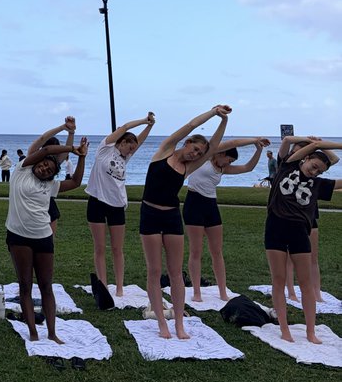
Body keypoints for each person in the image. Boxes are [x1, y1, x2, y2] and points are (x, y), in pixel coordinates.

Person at [140, 106, 231, 340]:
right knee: (154, 270)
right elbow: (190, 125)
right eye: (194, 148)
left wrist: (223, 122)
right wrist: (213, 113)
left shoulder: (189, 167)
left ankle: (179, 323)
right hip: (149, 214)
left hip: (171, 217)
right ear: (187, 142)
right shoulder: (164, 151)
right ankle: (162, 322)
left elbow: (214, 146)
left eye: (200, 152)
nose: (195, 154)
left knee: (175, 273)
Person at [6, 118, 87, 344]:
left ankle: (52, 332)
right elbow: (48, 149)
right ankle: (32, 331)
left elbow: (77, 182)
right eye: (43, 164)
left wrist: (82, 157)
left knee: (46, 286)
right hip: (18, 237)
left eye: (49, 169)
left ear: (52, 175)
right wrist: (72, 146)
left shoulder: (51, 186)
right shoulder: (21, 171)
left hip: (43, 238)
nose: (43, 168)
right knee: (25, 285)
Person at [267, 136, 342, 340]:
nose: (315, 171)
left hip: (300, 231)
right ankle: (284, 328)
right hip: (275, 227)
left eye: (319, 171)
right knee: (279, 279)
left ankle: (310, 331)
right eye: (314, 166)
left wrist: (322, 154)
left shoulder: (318, 184)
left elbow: (332, 163)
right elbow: (313, 145)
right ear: (305, 158)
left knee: (306, 282)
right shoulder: (286, 166)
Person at [183, 136, 268, 301]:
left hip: (211, 207)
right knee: (196, 251)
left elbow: (248, 168)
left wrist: (258, 150)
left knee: (217, 251)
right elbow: (234, 143)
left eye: (230, 162)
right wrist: (254, 140)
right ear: (220, 154)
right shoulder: (205, 157)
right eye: (227, 160)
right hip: (193, 204)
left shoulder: (222, 169)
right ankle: (196, 292)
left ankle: (223, 292)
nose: (228, 164)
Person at [85, 113, 155, 297]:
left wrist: (150, 127)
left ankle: (119, 287)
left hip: (117, 205)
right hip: (97, 202)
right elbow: (123, 128)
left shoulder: (126, 157)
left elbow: (139, 141)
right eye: (128, 147)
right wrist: (142, 120)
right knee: (99, 247)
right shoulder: (105, 149)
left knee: (117, 248)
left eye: (133, 149)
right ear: (121, 142)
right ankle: (103, 285)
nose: (130, 151)